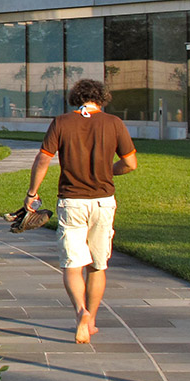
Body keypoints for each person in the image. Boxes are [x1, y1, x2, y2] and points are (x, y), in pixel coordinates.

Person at [25, 79, 138, 344]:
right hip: (103, 202)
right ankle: (93, 320)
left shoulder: (62, 122)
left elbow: (44, 158)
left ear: (76, 98)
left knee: (72, 265)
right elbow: (130, 163)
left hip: (71, 202)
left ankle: (80, 313)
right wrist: (108, 170)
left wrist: (32, 193)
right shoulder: (114, 123)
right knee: (98, 266)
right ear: (102, 98)